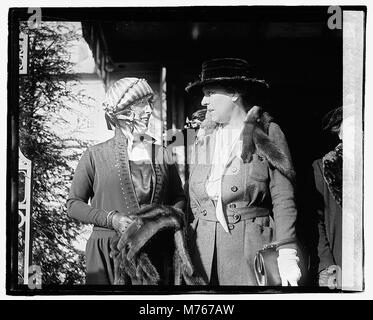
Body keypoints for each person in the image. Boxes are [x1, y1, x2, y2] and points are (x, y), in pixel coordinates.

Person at [185, 58, 301, 286]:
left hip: (249, 249)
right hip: (202, 250)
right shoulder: (202, 138)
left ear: (234, 93)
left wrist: (287, 252)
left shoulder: (267, 132)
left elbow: (283, 197)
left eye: (209, 93)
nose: (203, 101)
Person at [67, 77, 195, 285]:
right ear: (121, 111)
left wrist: (163, 220)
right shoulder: (95, 155)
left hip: (155, 254)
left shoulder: (161, 153)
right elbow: (73, 205)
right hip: (108, 253)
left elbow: (178, 197)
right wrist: (111, 219)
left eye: (149, 104)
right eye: (140, 105)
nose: (148, 111)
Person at [313, 106, 347, 288]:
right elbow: (316, 221)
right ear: (339, 132)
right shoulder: (323, 167)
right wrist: (326, 266)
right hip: (343, 267)